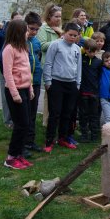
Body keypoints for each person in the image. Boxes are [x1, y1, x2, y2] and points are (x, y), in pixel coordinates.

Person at [43, 21, 82, 152]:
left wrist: (77, 84)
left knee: (68, 113)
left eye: (75, 35)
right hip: (56, 82)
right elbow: (48, 63)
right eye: (70, 35)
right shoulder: (55, 45)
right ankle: (49, 141)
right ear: (64, 33)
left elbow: (79, 67)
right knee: (55, 113)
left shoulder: (77, 49)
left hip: (71, 84)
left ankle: (63, 138)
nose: (72, 37)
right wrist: (48, 82)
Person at [0, 19, 34, 170]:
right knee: (20, 125)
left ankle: (19, 155)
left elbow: (27, 70)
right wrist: (15, 94)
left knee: (25, 124)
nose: (28, 33)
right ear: (18, 33)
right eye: (26, 30)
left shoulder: (23, 48)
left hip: (25, 89)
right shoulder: (9, 49)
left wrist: (30, 88)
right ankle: (10, 157)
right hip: (15, 91)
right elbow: (7, 74)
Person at [0, 11, 23, 128]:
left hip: (18, 70)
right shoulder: (4, 33)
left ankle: (16, 118)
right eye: (17, 19)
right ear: (11, 19)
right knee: (6, 93)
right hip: (6, 68)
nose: (19, 22)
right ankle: (8, 120)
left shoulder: (21, 34)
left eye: (21, 20)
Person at [37, 4, 63, 128]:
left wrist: (61, 34)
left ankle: (57, 121)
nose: (59, 19)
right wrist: (59, 39)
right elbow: (42, 46)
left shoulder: (60, 29)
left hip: (60, 67)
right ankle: (46, 121)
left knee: (58, 96)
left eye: (60, 16)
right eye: (56, 16)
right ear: (49, 16)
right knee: (49, 95)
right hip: (48, 66)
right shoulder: (43, 29)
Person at [23, 12, 43, 154]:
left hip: (35, 81)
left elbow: (38, 57)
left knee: (33, 112)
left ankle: (30, 141)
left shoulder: (36, 42)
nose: (34, 32)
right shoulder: (20, 41)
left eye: (36, 29)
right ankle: (22, 143)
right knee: (24, 113)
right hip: (23, 83)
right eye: (31, 28)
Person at [77, 39, 102, 143]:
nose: (92, 53)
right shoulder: (81, 60)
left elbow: (100, 77)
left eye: (94, 51)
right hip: (83, 92)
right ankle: (84, 134)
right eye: (89, 51)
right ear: (85, 50)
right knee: (83, 114)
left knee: (94, 114)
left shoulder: (99, 62)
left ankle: (94, 134)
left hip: (94, 93)